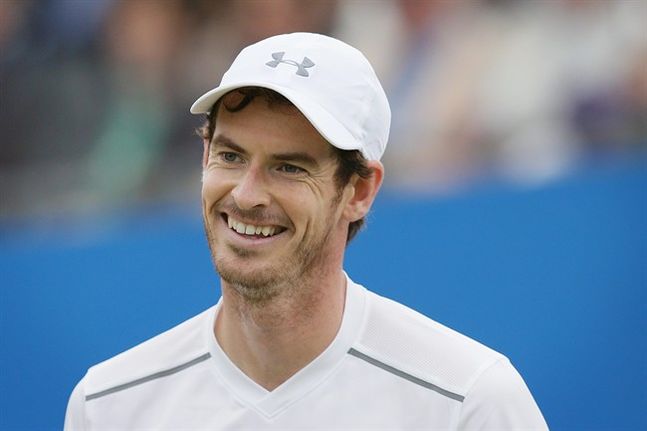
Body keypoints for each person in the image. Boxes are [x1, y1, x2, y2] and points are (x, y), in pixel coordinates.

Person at [64, 33, 548, 430]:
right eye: (230, 156)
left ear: (359, 190)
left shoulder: (469, 402)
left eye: (289, 167)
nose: (247, 194)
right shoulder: (106, 407)